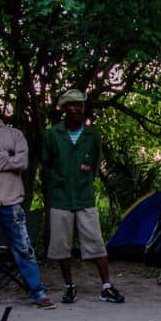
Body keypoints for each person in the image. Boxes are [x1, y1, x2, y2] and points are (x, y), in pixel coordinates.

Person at [0, 95, 55, 310]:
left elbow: (22, 162)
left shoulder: (15, 134)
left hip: (11, 201)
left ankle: (37, 292)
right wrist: (4, 156)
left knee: (23, 247)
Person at [42, 89, 124, 305]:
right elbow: (46, 165)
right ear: (64, 108)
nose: (76, 108)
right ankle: (69, 286)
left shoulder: (92, 135)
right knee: (61, 245)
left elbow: (96, 163)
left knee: (95, 242)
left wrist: (86, 177)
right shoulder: (53, 135)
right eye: (71, 105)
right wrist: (57, 183)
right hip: (61, 198)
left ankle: (106, 287)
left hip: (84, 197)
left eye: (79, 105)